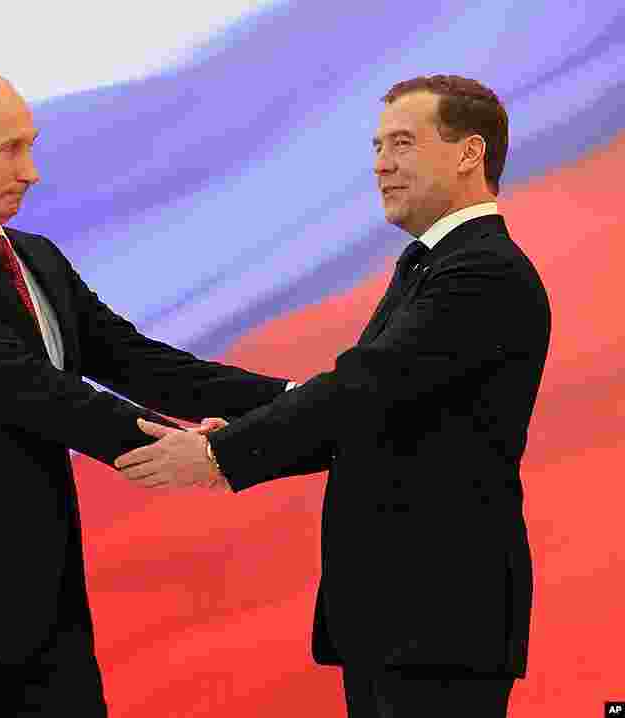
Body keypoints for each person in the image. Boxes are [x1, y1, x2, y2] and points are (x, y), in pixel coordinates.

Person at [0, 66, 293, 717]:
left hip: (42, 619)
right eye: (9, 149)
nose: (31, 171)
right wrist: (192, 447)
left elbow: (143, 364)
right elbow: (34, 394)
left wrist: (298, 400)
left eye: (31, 145)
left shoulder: (36, 258)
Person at [116, 75, 551, 717]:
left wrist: (221, 456)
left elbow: (361, 390)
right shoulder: (432, 265)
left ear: (469, 153)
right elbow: (375, 413)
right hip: (399, 621)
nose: (381, 164)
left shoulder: (482, 272)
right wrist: (248, 428)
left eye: (402, 143)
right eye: (377, 146)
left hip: (442, 617)